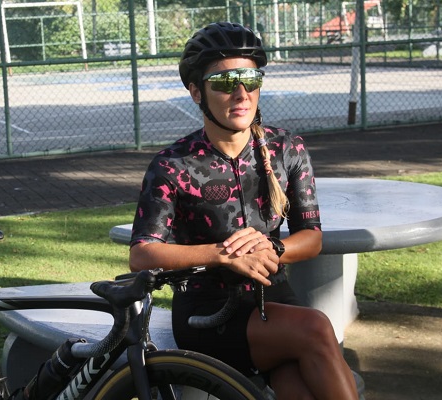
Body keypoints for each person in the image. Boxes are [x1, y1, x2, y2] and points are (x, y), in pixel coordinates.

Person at [129, 21, 358, 399]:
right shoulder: (173, 165)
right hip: (208, 311)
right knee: (317, 329)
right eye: (223, 82)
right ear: (195, 92)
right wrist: (225, 256)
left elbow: (312, 238)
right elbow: (142, 253)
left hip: (276, 300)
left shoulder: (287, 149)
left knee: (299, 387)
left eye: (250, 79)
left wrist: (273, 249)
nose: (240, 93)